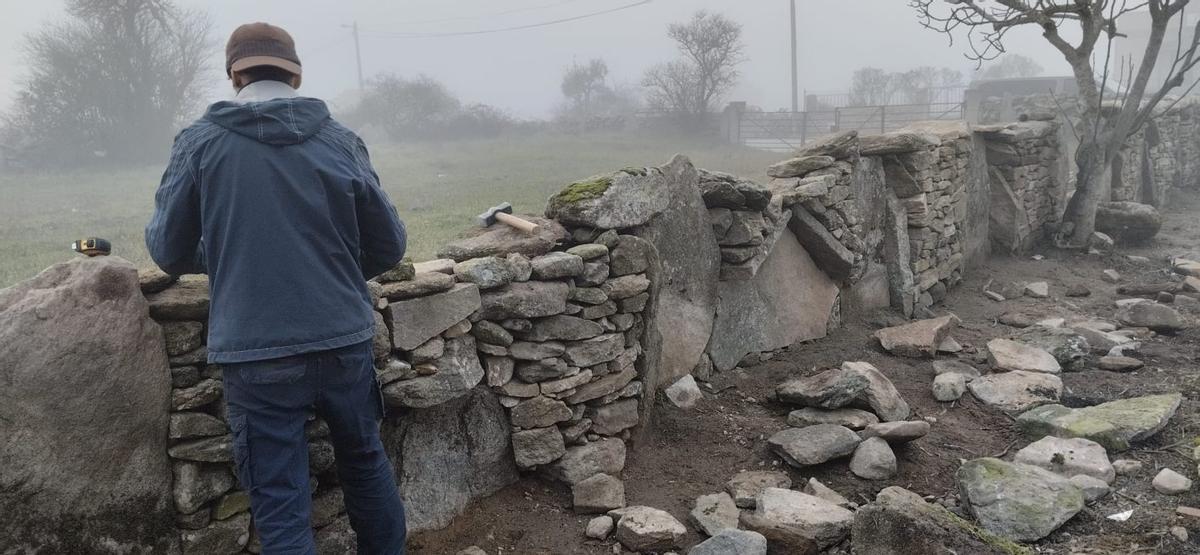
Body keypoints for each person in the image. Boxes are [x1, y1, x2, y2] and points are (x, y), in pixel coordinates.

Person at [145, 22, 408, 555]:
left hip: (255, 352)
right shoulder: (340, 141)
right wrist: (327, 267)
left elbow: (168, 251)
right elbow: (389, 246)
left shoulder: (199, 144)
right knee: (365, 466)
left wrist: (227, 254)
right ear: (297, 73)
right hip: (344, 343)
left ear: (233, 74)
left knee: (280, 500)